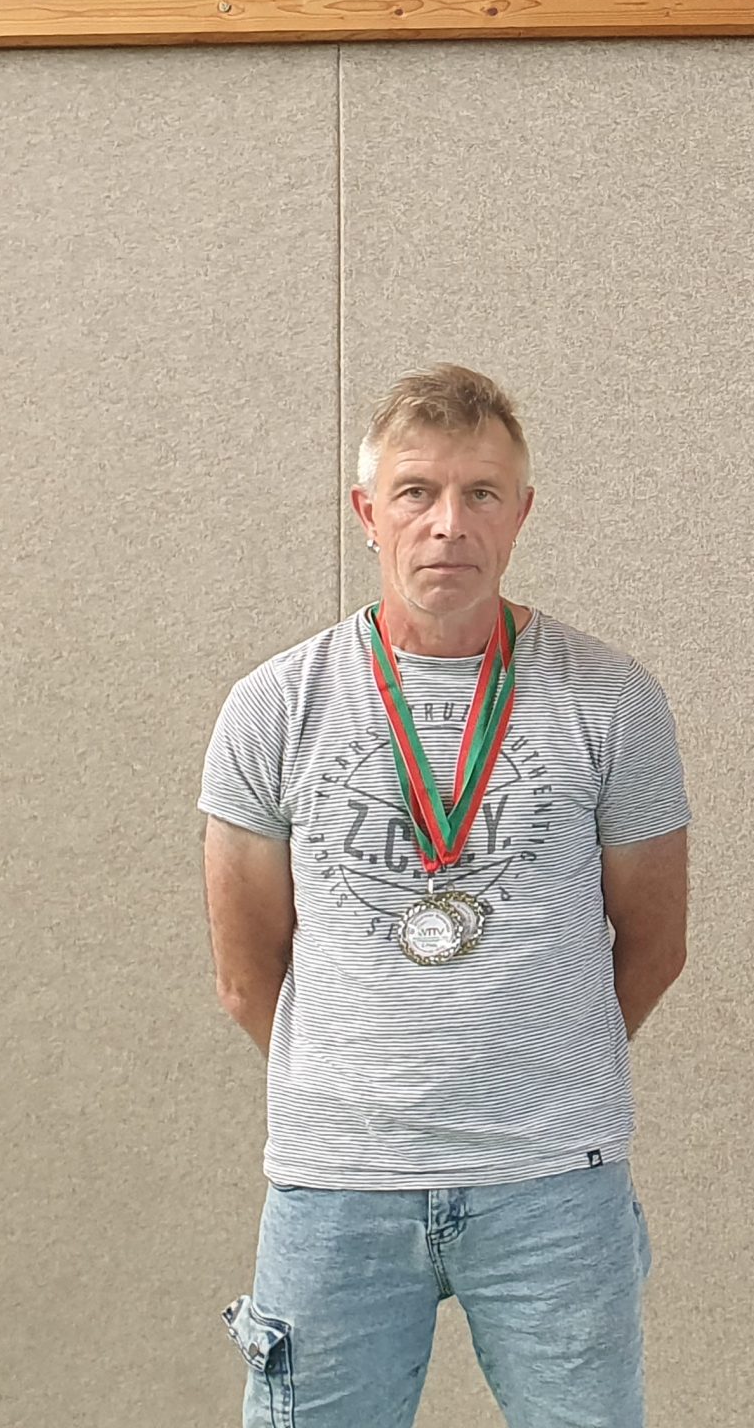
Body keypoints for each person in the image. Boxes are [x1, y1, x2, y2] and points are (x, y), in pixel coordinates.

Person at [201, 363, 690, 1428]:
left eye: (480, 494)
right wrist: (365, 1086)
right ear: (366, 512)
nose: (447, 524)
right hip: (337, 1184)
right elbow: (246, 971)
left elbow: (654, 943)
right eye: (416, 492)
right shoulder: (273, 708)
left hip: (555, 1182)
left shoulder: (613, 701)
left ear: (521, 514)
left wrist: (531, 1068)